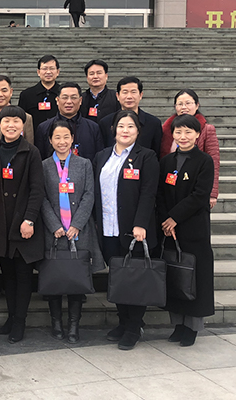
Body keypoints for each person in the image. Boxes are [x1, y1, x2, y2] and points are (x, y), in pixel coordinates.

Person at [93, 110, 159, 351]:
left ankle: (134, 326)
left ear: (138, 130)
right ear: (114, 129)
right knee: (118, 277)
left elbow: (149, 193)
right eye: (121, 125)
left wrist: (140, 223)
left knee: (135, 278)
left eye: (130, 126)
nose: (125, 130)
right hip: (108, 229)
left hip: (134, 230)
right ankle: (123, 322)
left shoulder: (147, 157)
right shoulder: (102, 156)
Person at [40, 120, 104, 343]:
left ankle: (74, 325)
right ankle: (56, 323)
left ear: (72, 139)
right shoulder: (44, 165)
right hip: (55, 232)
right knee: (54, 279)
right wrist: (54, 225)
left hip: (79, 230)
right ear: (50, 140)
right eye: (57, 137)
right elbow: (42, 198)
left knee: (78, 279)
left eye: (66, 137)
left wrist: (77, 224)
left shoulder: (84, 164)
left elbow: (89, 194)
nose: (62, 141)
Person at [157, 114, 215, 347]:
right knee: (176, 276)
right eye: (178, 132)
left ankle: (192, 327)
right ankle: (178, 325)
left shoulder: (204, 161)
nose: (183, 136)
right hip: (170, 230)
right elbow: (160, 194)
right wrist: (166, 220)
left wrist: (175, 218)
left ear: (198, 134)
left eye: (188, 132)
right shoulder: (166, 162)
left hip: (193, 228)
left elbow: (200, 195)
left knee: (194, 278)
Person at [0, 106, 45, 343]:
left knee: (23, 276)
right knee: (8, 276)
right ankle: (11, 318)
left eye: (16, 121)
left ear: (23, 125)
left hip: (22, 224)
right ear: (0, 124)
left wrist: (29, 219)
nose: (11, 125)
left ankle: (20, 321)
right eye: (6, 121)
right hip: (1, 225)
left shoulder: (31, 152)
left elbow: (37, 189)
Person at [160, 89, 219, 209]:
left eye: (188, 103)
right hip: (171, 184)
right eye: (180, 104)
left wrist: (212, 192)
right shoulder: (165, 129)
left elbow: (214, 160)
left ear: (197, 105)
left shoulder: (207, 129)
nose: (184, 107)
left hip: (194, 184)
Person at [35, 82, 103, 162]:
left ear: (80, 100)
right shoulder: (44, 128)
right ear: (57, 100)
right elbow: (40, 159)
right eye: (65, 97)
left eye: (73, 98)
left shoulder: (93, 128)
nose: (69, 101)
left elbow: (99, 159)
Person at [99, 77, 162, 158]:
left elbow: (157, 153)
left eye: (133, 92)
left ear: (141, 95)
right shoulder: (106, 122)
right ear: (117, 96)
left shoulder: (153, 123)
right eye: (125, 92)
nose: (129, 96)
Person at [18, 55, 61, 132]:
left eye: (52, 68)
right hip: (34, 137)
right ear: (38, 72)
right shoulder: (27, 95)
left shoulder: (63, 94)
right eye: (44, 69)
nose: (48, 72)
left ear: (58, 72)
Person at [80, 59, 120, 124]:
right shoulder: (81, 99)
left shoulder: (116, 97)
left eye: (99, 73)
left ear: (106, 76)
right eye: (91, 74)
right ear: (87, 77)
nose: (95, 76)